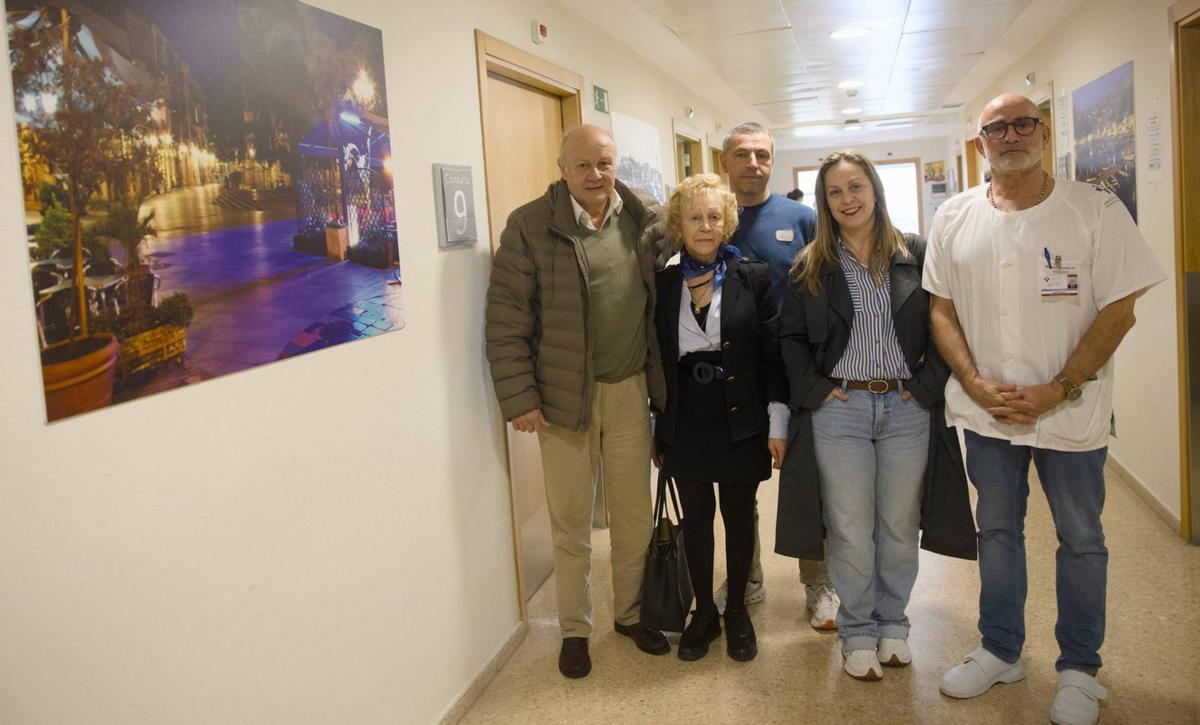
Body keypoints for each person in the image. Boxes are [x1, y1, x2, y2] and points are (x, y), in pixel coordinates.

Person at [925, 93, 1165, 725]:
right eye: (996, 128)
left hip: (1070, 411)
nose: (1010, 136)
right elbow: (940, 309)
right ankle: (1001, 648)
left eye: (1022, 123)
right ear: (980, 143)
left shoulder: (1096, 211)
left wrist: (1060, 386)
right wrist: (974, 382)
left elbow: (1121, 309)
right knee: (998, 532)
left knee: (1080, 538)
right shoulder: (954, 216)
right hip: (988, 414)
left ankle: (1080, 668)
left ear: (1044, 130)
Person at [485, 124, 671, 679]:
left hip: (630, 391)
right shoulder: (529, 226)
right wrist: (520, 397)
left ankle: (632, 615)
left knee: (634, 515)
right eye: (583, 165)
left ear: (617, 166)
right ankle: (574, 629)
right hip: (564, 400)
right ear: (562, 168)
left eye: (605, 163)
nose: (595, 175)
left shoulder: (643, 222)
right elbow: (505, 322)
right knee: (570, 524)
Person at [776, 150, 965, 681]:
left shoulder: (916, 254)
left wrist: (926, 387)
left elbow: (944, 324)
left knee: (899, 525)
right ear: (825, 201)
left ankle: (894, 626)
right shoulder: (812, 264)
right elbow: (789, 339)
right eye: (835, 192)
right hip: (843, 410)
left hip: (906, 408)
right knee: (851, 526)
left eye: (856, 187)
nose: (847, 199)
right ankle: (857, 631)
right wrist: (816, 390)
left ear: (875, 190)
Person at [652, 173, 787, 662]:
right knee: (697, 518)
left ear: (727, 222)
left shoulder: (754, 275)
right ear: (678, 225)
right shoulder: (663, 281)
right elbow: (657, 357)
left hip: (741, 414)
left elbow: (772, 356)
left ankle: (736, 612)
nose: (705, 226)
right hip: (686, 414)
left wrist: (777, 424)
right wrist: (656, 425)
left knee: (737, 513)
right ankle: (702, 614)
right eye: (694, 217)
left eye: (714, 216)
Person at [719, 121, 838, 631]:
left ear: (773, 160)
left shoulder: (802, 218)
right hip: (737, 379)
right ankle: (747, 576)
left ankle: (819, 582)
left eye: (762, 154)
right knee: (739, 484)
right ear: (725, 161)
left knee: (813, 482)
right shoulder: (713, 217)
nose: (753, 163)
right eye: (742, 154)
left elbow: (830, 286)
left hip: (799, 371)